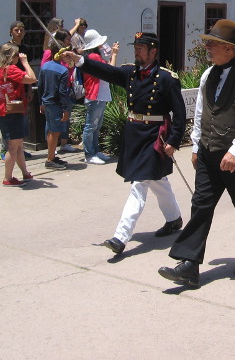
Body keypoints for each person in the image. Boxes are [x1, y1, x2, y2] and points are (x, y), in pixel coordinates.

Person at [158, 20, 235, 287]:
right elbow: (201, 113)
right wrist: (197, 146)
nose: (207, 47)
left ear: (229, 48)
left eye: (213, 43)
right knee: (201, 205)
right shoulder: (208, 75)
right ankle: (189, 265)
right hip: (208, 152)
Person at [62, 32, 187, 255]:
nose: (136, 51)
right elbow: (106, 71)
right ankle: (174, 218)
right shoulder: (131, 73)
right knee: (157, 179)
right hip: (135, 136)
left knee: (140, 183)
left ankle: (120, 237)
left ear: (153, 51)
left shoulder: (167, 78)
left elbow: (179, 113)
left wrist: (173, 141)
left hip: (154, 136)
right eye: (135, 47)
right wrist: (79, 60)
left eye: (140, 48)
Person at [80, 29, 120, 164]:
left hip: (99, 95)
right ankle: (89, 154)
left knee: (96, 126)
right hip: (95, 95)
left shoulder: (93, 56)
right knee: (91, 126)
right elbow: (111, 70)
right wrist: (114, 54)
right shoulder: (94, 57)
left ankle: (95, 151)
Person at [0, 43, 37, 186]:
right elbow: (32, 78)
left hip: (5, 110)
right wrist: (25, 62)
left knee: (19, 145)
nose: (18, 57)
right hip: (13, 112)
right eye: (16, 55)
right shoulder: (11, 69)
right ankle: (8, 178)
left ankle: (25, 173)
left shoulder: (1, 69)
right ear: (11, 56)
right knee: (13, 147)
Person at [38, 41, 72, 169]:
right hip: (56, 103)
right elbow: (62, 91)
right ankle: (50, 160)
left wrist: (40, 102)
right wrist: (65, 109)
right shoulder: (63, 70)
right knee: (55, 131)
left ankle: (51, 156)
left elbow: (40, 86)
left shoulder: (45, 66)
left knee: (51, 130)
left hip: (47, 102)